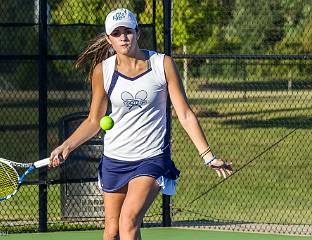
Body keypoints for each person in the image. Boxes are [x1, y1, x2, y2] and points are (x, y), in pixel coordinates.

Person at [49, 8, 233, 240]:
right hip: (115, 159)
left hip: (151, 157)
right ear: (109, 39)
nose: (123, 37)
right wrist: (67, 145)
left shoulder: (162, 64)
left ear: (138, 32)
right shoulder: (102, 71)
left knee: (128, 222)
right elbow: (94, 120)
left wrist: (208, 156)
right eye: (116, 33)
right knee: (112, 232)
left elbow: (185, 113)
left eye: (128, 31)